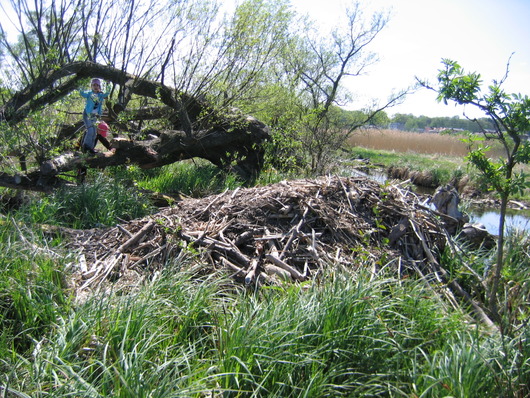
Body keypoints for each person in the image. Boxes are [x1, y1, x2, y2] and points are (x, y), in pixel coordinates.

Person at [79, 78, 110, 153]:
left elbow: (107, 93)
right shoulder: (89, 94)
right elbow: (82, 93)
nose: (95, 87)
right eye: (94, 85)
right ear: (91, 86)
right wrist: (83, 83)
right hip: (87, 114)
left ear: (99, 86)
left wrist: (108, 84)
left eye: (97, 85)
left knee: (94, 132)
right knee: (90, 131)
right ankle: (85, 147)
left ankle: (91, 148)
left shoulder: (101, 95)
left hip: (94, 116)